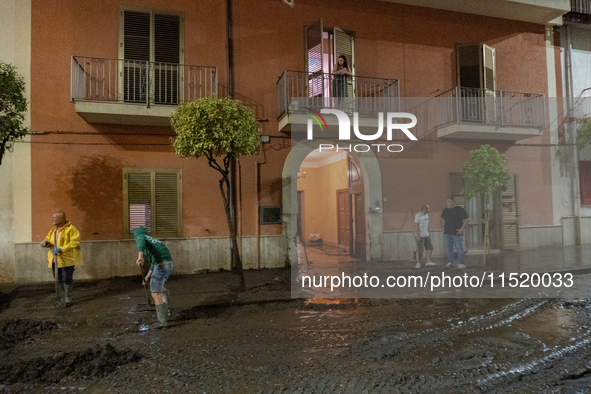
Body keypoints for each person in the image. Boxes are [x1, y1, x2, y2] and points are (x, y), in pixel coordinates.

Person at [41, 211, 83, 307]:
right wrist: (46, 243)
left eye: (55, 218)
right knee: (58, 278)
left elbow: (74, 243)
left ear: (61, 219)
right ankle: (61, 296)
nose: (53, 220)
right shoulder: (53, 230)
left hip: (67, 259)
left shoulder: (71, 229)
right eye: (53, 218)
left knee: (67, 278)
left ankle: (68, 298)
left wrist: (61, 249)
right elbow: (48, 239)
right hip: (54, 259)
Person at [134, 226, 173, 328]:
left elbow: (141, 242)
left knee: (156, 293)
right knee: (160, 288)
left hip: (161, 265)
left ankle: (162, 322)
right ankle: (168, 310)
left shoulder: (141, 236)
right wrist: (147, 277)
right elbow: (153, 262)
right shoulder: (154, 241)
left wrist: (140, 257)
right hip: (168, 265)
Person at [440, 197, 469, 269]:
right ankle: (450, 262)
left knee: (459, 247)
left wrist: (461, 229)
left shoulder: (459, 210)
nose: (447, 203)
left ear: (453, 202)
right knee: (448, 248)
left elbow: (466, 219)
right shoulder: (446, 210)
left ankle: (462, 263)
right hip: (447, 232)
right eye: (446, 202)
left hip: (456, 232)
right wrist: (443, 228)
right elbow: (442, 219)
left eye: (449, 202)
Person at [414, 204, 437, 269]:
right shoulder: (418, 216)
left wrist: (428, 232)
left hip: (426, 234)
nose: (429, 210)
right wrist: (417, 235)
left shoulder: (426, 215)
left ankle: (428, 261)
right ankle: (418, 263)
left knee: (430, 248)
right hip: (420, 235)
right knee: (419, 250)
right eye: (428, 209)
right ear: (424, 209)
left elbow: (427, 224)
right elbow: (416, 225)